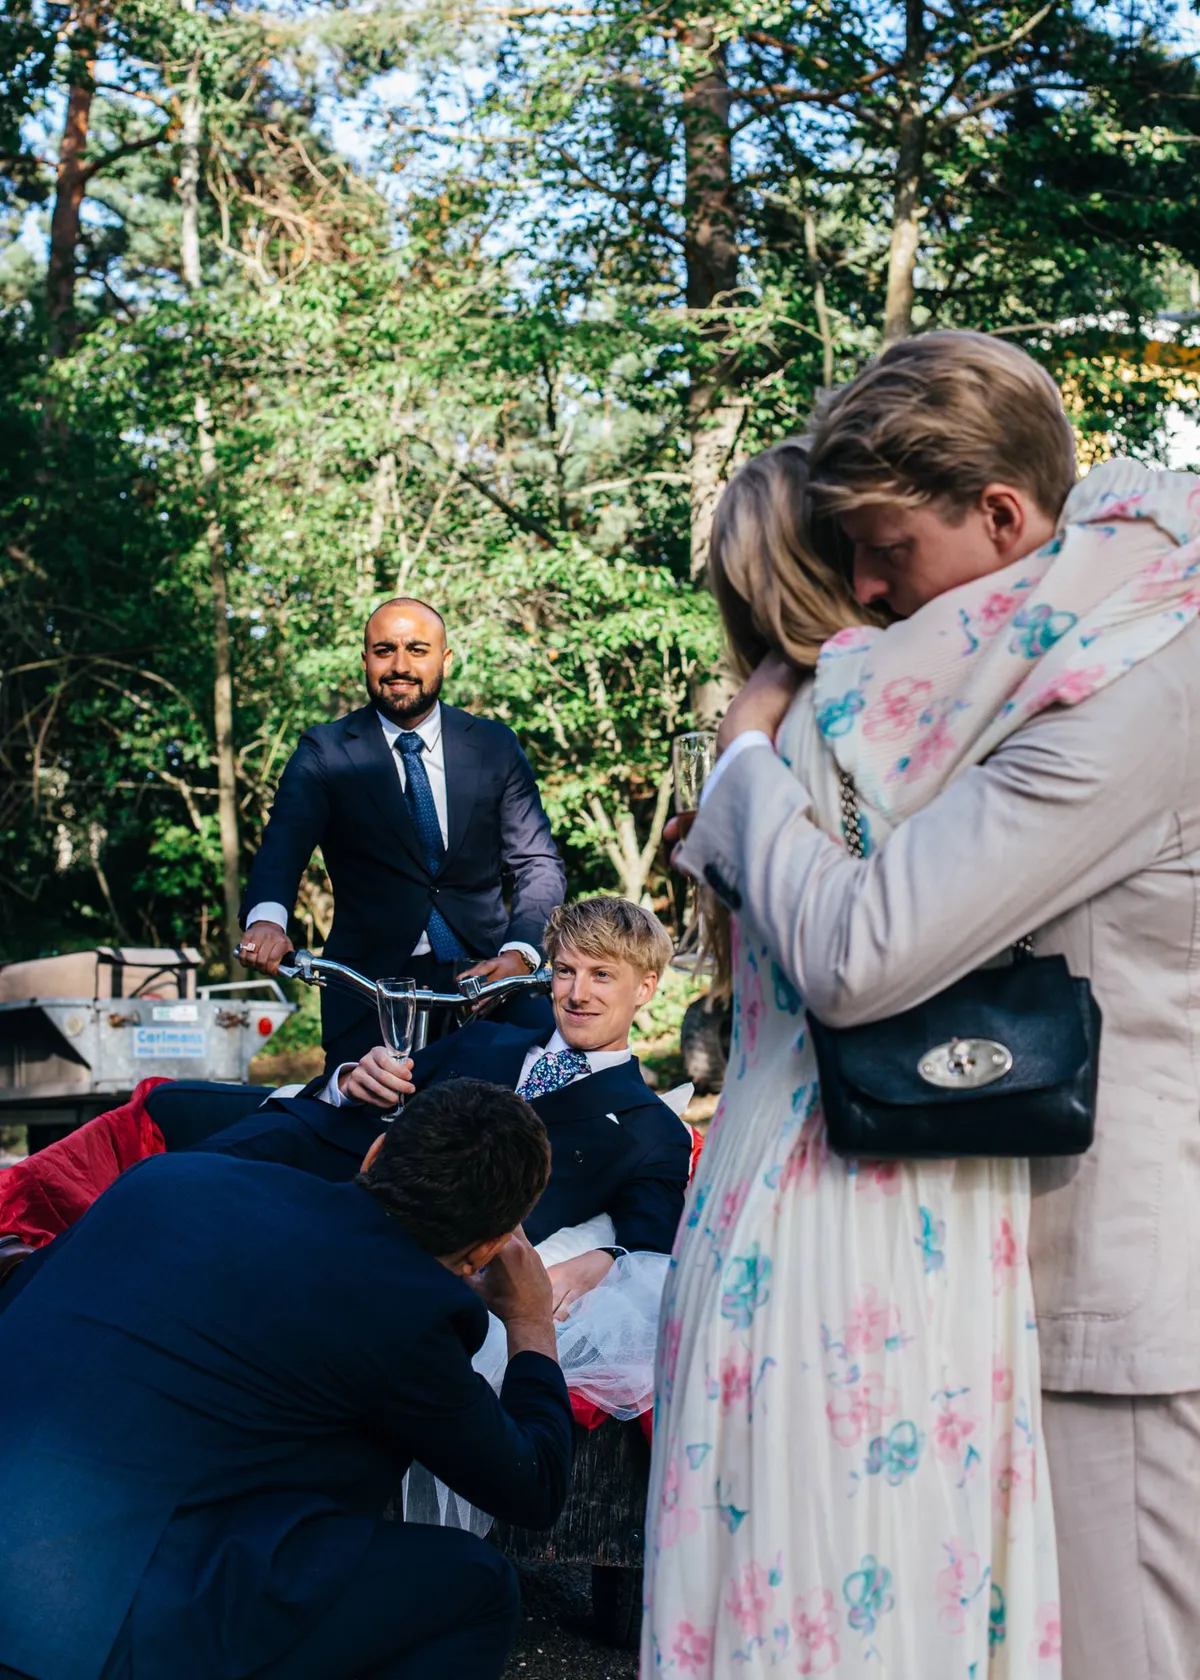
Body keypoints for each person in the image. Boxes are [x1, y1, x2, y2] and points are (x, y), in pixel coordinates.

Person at [645, 336, 1200, 1680]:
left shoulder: (1130, 685)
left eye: (888, 545)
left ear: (1003, 516)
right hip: (971, 1273)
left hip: (1092, 1299)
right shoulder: (1014, 662)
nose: (875, 588)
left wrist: (742, 765)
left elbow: (861, 948)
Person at [0, 1079, 573, 1680]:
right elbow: (533, 1487)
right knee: (477, 1589)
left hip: (49, 1513)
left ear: (374, 1155)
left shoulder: (167, 1178)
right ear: (484, 1252)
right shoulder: (401, 1308)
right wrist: (531, 1320)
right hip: (68, 1631)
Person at [183, 896, 693, 1319]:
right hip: (320, 1186)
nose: (577, 994)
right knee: (189, 1163)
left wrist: (602, 1259)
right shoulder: (484, 1038)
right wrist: (351, 1078)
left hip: (415, 1264)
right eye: (565, 971)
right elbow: (379, 1096)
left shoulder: (652, 1129)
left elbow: (649, 1245)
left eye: (601, 975)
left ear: (645, 987)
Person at [238, 596, 566, 1068]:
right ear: (366, 660)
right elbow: (282, 848)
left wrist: (521, 954)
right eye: (384, 649)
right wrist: (267, 921)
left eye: (417, 649)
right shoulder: (325, 751)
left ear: (445, 659)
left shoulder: (495, 745)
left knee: (523, 1125)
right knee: (367, 1129)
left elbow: (537, 862)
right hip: (369, 993)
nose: (400, 665)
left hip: (490, 982)